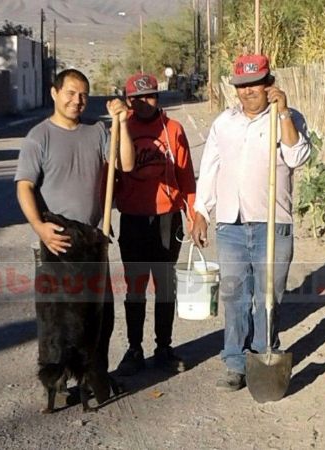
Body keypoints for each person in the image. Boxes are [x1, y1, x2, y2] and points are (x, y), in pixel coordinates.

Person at [191, 54, 311, 392]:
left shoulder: (287, 118)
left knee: (268, 295)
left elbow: (297, 156)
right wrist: (202, 210)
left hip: (273, 222)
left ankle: (263, 354)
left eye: (254, 84)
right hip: (230, 223)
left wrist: (283, 112)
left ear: (269, 84)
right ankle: (234, 361)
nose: (247, 92)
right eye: (241, 86)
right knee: (234, 295)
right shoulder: (224, 123)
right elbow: (211, 168)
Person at [15, 69, 135, 393]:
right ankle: (56, 382)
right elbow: (24, 186)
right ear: (54, 94)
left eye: (83, 94)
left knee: (99, 314)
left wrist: (120, 124)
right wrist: (40, 227)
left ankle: (95, 377)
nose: (77, 100)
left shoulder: (97, 132)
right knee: (57, 319)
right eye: (70, 92)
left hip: (94, 240)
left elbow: (126, 164)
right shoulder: (38, 137)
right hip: (58, 240)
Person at [114, 73, 197, 376]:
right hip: (134, 218)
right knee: (135, 286)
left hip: (167, 217)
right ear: (128, 100)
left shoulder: (172, 129)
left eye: (150, 96)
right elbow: (107, 175)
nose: (145, 103)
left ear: (158, 97)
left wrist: (194, 213)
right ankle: (134, 349)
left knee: (165, 285)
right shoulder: (121, 129)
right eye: (138, 98)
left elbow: (187, 176)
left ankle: (164, 347)